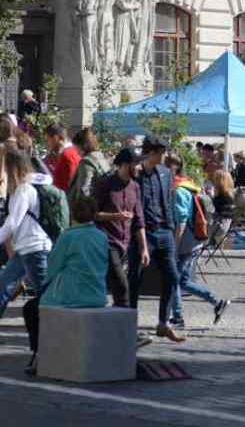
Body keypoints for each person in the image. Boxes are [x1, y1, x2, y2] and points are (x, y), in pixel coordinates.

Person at [21, 196, 109, 377]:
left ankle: (38, 355)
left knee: (31, 308)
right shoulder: (102, 236)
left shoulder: (68, 236)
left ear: (73, 214)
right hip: (97, 294)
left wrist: (43, 286)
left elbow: (52, 267)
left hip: (73, 295)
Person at [128, 137, 185, 343]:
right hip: (144, 231)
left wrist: (172, 228)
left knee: (172, 276)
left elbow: (168, 201)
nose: (163, 157)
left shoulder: (165, 173)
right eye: (160, 153)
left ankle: (164, 323)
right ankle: (129, 325)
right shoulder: (137, 173)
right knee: (135, 278)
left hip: (164, 231)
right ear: (150, 153)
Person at [165, 155, 230, 328]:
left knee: (174, 280)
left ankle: (177, 317)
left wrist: (174, 246)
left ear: (172, 169)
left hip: (185, 242)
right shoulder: (189, 184)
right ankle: (217, 302)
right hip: (195, 239)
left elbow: (182, 221)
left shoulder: (178, 190)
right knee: (183, 281)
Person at [0, 149, 54, 317]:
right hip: (25, 249)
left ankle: (53, 332)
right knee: (2, 285)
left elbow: (12, 222)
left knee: (45, 296)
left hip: (34, 249)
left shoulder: (24, 190)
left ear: (13, 168)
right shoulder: (21, 189)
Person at [91, 147, 144, 310]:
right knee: (122, 288)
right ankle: (124, 329)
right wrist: (115, 216)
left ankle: (114, 326)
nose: (138, 168)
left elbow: (139, 220)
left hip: (126, 245)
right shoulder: (105, 183)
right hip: (107, 242)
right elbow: (93, 215)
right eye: (135, 164)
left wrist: (144, 248)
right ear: (124, 165)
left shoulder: (135, 187)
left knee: (114, 289)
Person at [67, 127, 109, 208]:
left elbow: (83, 190)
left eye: (76, 148)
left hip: (87, 211)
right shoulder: (100, 157)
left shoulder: (86, 162)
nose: (76, 151)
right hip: (102, 204)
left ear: (82, 146)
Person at [44, 124, 82, 191]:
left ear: (56, 138)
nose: (47, 144)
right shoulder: (72, 152)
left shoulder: (68, 155)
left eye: (47, 140)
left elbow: (70, 186)